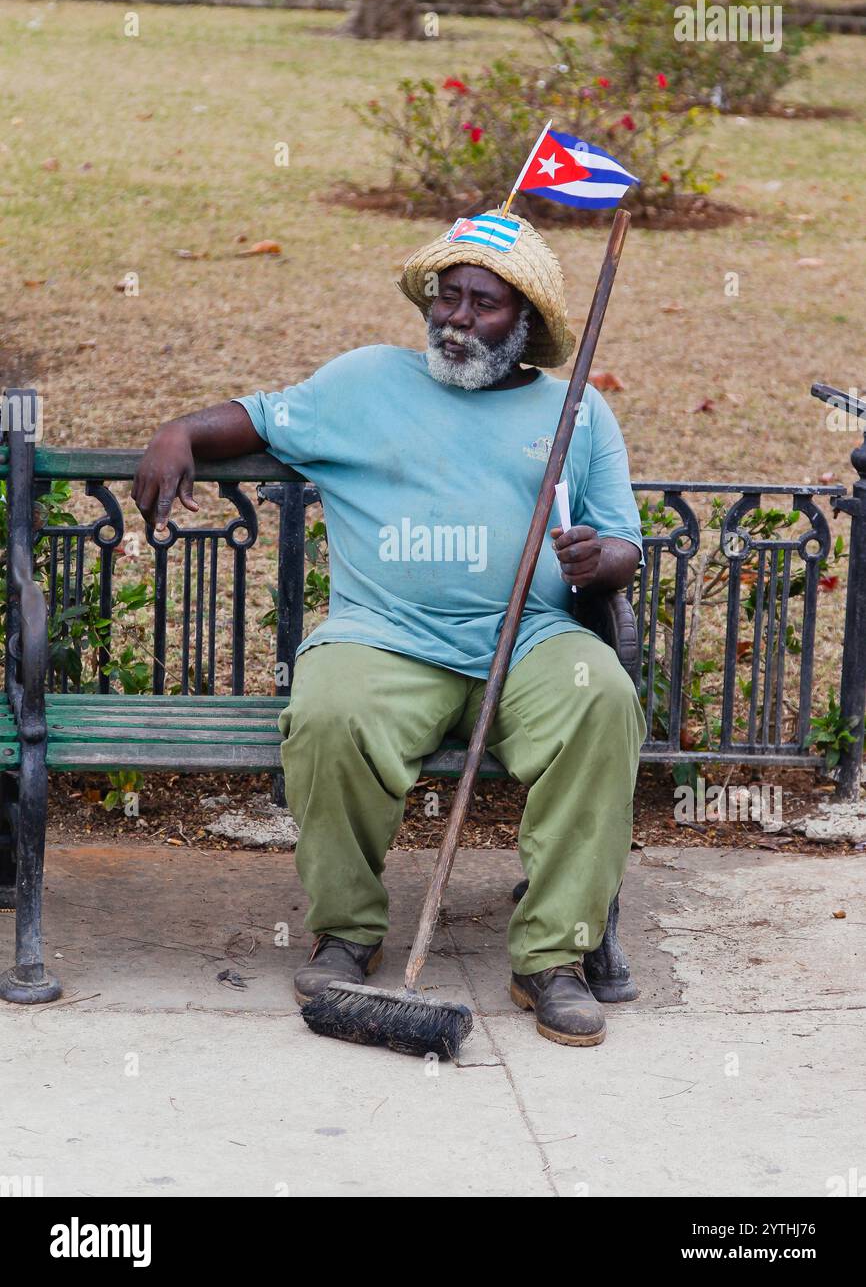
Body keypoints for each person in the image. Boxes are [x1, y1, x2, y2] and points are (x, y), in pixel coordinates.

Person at [132, 210, 646, 1047]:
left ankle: (552, 957)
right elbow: (258, 418)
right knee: (331, 710)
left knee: (603, 702)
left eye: (482, 305)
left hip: (529, 641)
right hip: (386, 635)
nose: (455, 319)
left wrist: (600, 558)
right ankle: (347, 934)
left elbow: (623, 540)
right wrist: (178, 431)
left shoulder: (578, 414)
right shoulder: (363, 383)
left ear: (525, 324)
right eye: (447, 299)